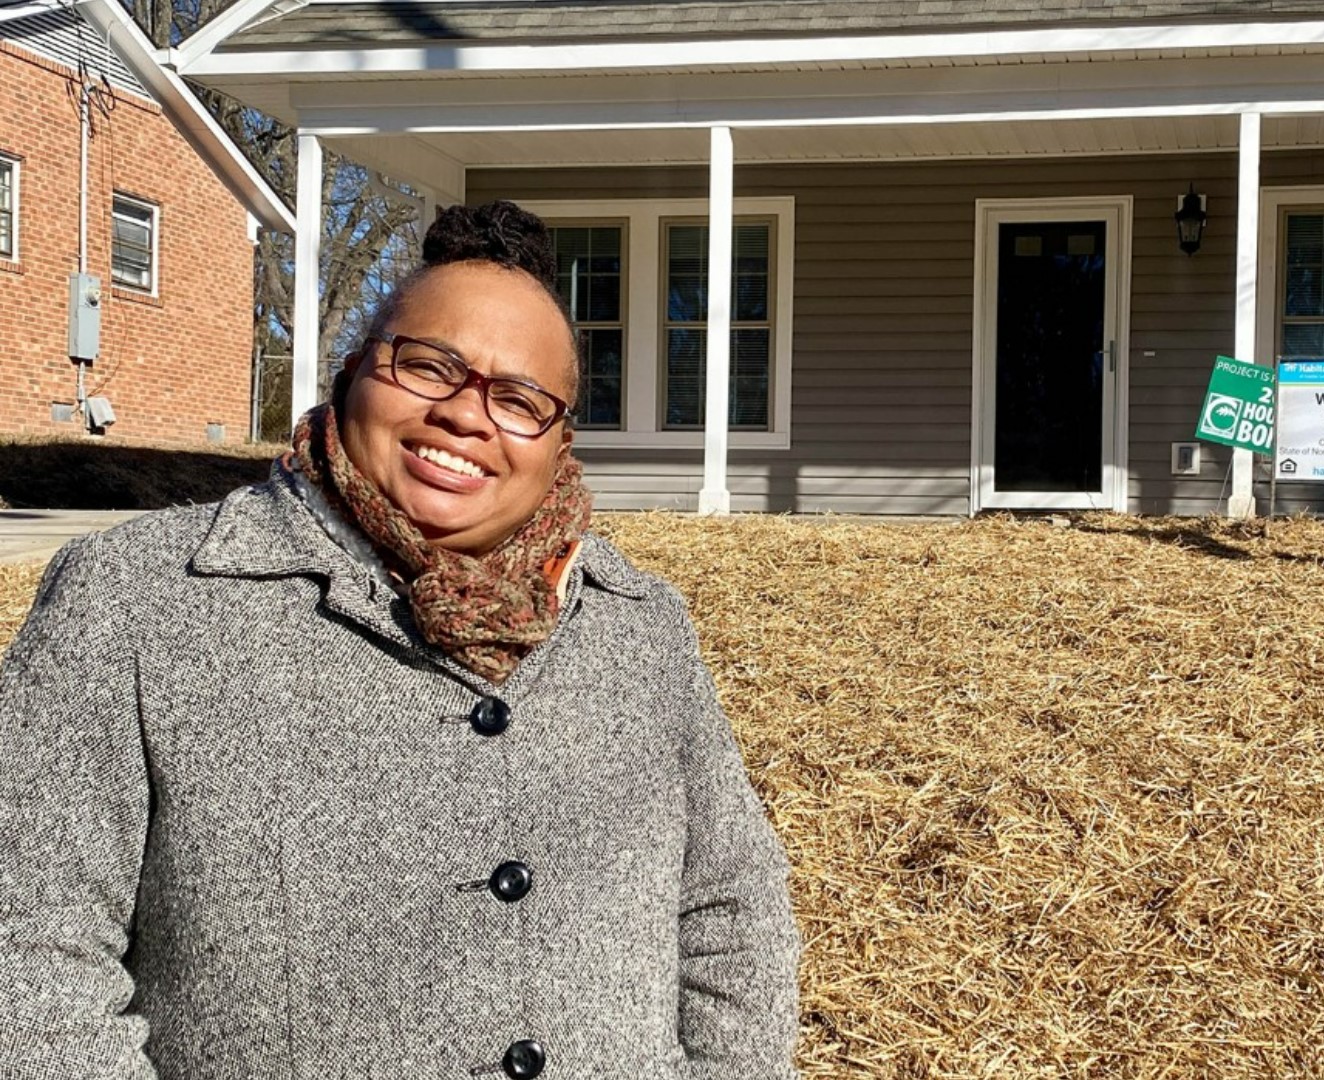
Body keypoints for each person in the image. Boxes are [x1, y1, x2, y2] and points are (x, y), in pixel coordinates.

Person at [0, 202, 800, 1079]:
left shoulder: (642, 626)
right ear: (352, 374)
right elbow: (32, 952)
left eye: (519, 399)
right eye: (427, 365)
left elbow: (731, 914)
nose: (466, 415)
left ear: (561, 445)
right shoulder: (134, 601)